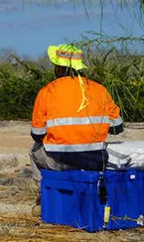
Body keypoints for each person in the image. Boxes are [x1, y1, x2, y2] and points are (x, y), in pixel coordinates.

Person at [29, 44, 124, 215]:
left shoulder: (46, 91)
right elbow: (117, 128)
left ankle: (44, 197)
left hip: (58, 159)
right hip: (95, 159)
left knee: (33, 151)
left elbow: (37, 135)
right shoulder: (100, 90)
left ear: (59, 67)